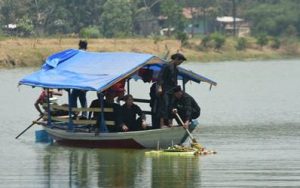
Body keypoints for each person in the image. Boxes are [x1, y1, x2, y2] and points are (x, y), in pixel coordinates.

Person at [157, 53, 187, 127]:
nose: (180, 63)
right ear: (176, 59)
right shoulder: (167, 66)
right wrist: (159, 87)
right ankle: (162, 124)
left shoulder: (176, 68)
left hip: (173, 90)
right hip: (165, 89)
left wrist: (177, 90)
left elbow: (175, 81)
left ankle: (170, 123)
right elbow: (160, 76)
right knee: (165, 105)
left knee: (172, 106)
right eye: (180, 61)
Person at [70, 40, 88, 118]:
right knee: (82, 97)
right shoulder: (87, 54)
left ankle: (75, 113)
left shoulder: (77, 53)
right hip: (84, 80)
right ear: (86, 46)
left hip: (78, 80)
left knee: (73, 96)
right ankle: (84, 115)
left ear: (79, 45)